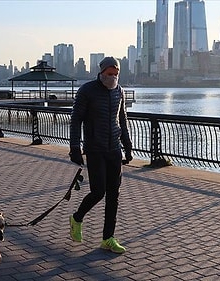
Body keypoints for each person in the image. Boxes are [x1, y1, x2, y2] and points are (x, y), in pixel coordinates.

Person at [68, 56, 133, 254]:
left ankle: (108, 239)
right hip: (95, 149)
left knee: (114, 196)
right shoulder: (87, 90)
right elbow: (76, 120)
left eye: (116, 74)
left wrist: (127, 145)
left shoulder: (119, 91)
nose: (112, 77)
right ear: (101, 72)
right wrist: (75, 148)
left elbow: (122, 119)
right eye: (109, 74)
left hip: (114, 149)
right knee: (98, 192)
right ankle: (77, 217)